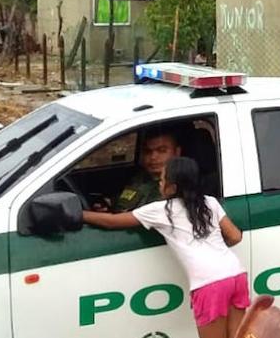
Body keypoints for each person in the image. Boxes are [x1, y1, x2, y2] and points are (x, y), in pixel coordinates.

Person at [83, 157, 249, 338]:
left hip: (209, 283)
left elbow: (112, 222)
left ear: (173, 188)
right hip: (236, 274)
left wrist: (81, 214)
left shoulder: (162, 210)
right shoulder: (210, 202)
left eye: (162, 179)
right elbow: (235, 236)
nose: (159, 183)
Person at [99, 126, 185, 212]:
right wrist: (107, 206)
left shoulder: (179, 187)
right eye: (147, 151)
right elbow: (122, 203)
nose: (153, 157)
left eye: (161, 150)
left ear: (177, 152)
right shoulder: (138, 178)